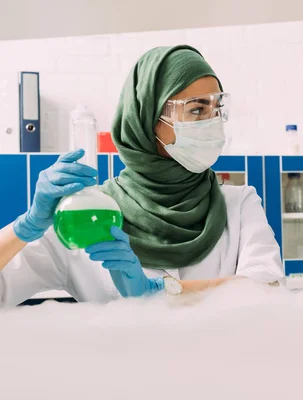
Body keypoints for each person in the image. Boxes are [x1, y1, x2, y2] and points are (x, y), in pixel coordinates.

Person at [0, 45, 283, 306]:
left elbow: (267, 289)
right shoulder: (88, 214)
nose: (212, 123)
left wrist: (161, 291)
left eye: (216, 109)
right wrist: (25, 227)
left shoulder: (239, 204)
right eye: (197, 110)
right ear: (147, 120)